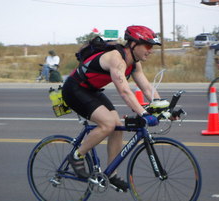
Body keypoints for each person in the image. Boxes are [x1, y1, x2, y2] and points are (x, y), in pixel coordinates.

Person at [62, 25, 165, 192]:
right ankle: (76, 156)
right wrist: (144, 113)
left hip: (91, 90)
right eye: (147, 45)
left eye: (151, 46)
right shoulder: (116, 59)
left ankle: (111, 174)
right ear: (133, 44)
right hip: (74, 89)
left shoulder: (134, 63)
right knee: (108, 124)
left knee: (117, 126)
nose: (150, 50)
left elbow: (147, 89)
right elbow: (124, 91)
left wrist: (163, 107)